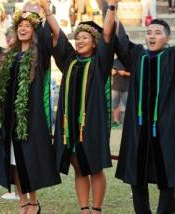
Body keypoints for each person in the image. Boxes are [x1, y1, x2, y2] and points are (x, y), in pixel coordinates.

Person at [0, 0, 64, 213]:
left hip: (30, 118)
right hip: (9, 118)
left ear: (35, 30)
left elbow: (58, 36)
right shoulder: (9, 55)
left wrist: (45, 10)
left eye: (27, 26)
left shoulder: (40, 53)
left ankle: (33, 202)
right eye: (19, 26)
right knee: (13, 162)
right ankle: (23, 202)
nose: (22, 29)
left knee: (28, 159)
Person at [49, 0, 117, 212]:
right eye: (77, 37)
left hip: (92, 125)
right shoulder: (70, 60)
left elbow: (107, 35)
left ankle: (96, 209)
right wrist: (45, 10)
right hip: (70, 126)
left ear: (94, 42)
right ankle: (84, 208)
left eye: (84, 37)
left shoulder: (100, 63)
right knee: (78, 166)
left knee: (94, 167)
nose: (79, 41)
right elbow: (59, 37)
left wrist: (112, 7)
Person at [115, 16, 175, 213]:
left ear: (167, 39)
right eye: (149, 32)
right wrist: (113, 9)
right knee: (136, 178)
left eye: (158, 33)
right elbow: (121, 41)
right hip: (138, 131)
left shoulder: (174, 57)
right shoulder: (137, 57)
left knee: (167, 179)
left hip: (166, 130)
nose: (152, 36)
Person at [111, 58, 129, 128]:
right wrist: (112, 72)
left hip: (127, 87)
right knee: (115, 106)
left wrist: (125, 73)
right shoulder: (114, 61)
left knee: (128, 106)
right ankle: (116, 121)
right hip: (115, 87)